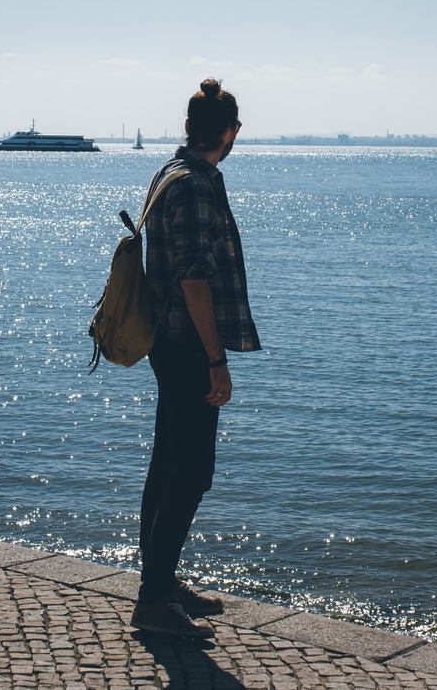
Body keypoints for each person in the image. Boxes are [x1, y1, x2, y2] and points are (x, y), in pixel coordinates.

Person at [129, 79, 261, 638]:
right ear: (230, 132)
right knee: (191, 472)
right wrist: (216, 358)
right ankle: (154, 601)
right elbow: (196, 279)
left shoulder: (169, 174)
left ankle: (162, 584)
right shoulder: (196, 188)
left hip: (166, 339)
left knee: (168, 464)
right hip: (186, 346)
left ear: (188, 128)